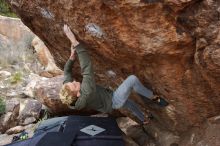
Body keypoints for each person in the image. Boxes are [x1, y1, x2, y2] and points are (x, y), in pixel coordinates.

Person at [60, 24, 168, 124]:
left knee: (130, 104)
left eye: (71, 82)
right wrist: (74, 41)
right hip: (113, 101)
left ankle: (143, 120)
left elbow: (66, 72)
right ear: (78, 94)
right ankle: (153, 97)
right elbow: (87, 67)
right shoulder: (86, 93)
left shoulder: (69, 94)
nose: (74, 81)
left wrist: (72, 57)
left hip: (108, 98)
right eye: (74, 85)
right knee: (132, 79)